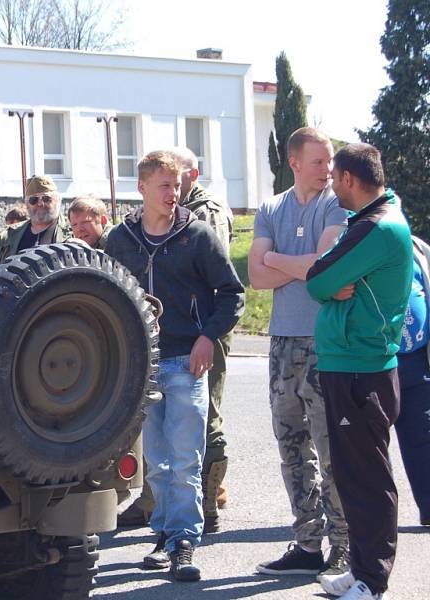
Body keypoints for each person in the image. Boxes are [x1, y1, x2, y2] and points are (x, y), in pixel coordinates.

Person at [105, 150, 244, 581]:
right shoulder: (119, 239)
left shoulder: (198, 235)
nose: (174, 192)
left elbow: (231, 293)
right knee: (157, 463)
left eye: (178, 184)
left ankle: (184, 540)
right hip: (141, 367)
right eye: (164, 185)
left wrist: (208, 338)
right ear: (142, 187)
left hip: (187, 361)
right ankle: (164, 535)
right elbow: (108, 298)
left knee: (186, 458)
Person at [306, 143, 413, 600]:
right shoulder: (370, 222)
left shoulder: (377, 227)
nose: (330, 185)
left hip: (360, 369)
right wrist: (330, 282)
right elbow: (327, 280)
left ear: (349, 177)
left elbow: (317, 280)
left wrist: (329, 283)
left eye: (333, 177)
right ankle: (362, 568)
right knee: (352, 475)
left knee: (368, 478)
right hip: (349, 364)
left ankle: (373, 580)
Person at [250, 127, 350, 580]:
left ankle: (345, 545)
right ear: (294, 162)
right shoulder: (272, 208)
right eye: (318, 161)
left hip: (324, 344)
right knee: (292, 445)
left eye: (328, 160)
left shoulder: (336, 204)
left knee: (332, 448)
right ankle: (307, 543)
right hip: (282, 342)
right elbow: (256, 276)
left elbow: (325, 265)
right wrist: (298, 266)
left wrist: (279, 261)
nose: (327, 169)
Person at [394, 235, 430, 528]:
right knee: (369, 447)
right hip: (376, 362)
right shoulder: (358, 241)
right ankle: (370, 518)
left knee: (423, 438)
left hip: (418, 360)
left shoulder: (416, 246)